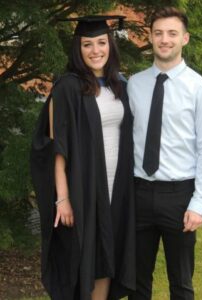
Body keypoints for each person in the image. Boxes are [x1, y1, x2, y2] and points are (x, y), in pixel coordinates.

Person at [30, 15, 135, 300]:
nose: (95, 50)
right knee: (83, 256)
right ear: (78, 49)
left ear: (110, 45)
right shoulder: (67, 87)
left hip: (117, 187)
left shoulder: (118, 85)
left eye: (101, 42)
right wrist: (62, 198)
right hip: (83, 187)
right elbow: (57, 148)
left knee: (105, 256)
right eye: (87, 44)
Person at [127, 7, 202, 300]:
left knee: (181, 282)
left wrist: (200, 202)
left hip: (180, 197)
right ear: (150, 37)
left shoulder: (200, 88)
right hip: (138, 193)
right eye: (158, 33)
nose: (164, 40)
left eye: (172, 33)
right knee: (137, 281)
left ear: (185, 38)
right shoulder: (134, 84)